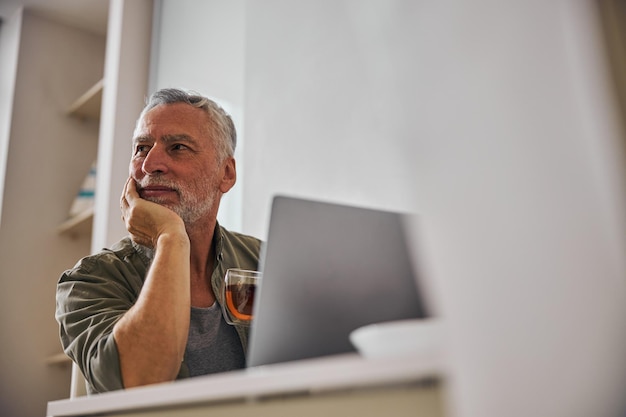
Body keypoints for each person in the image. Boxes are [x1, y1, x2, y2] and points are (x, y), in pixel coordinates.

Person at [56, 88, 261, 394]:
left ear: (226, 173)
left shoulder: (265, 260)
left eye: (177, 147)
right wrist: (170, 238)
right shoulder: (89, 280)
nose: (150, 164)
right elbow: (141, 383)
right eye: (141, 148)